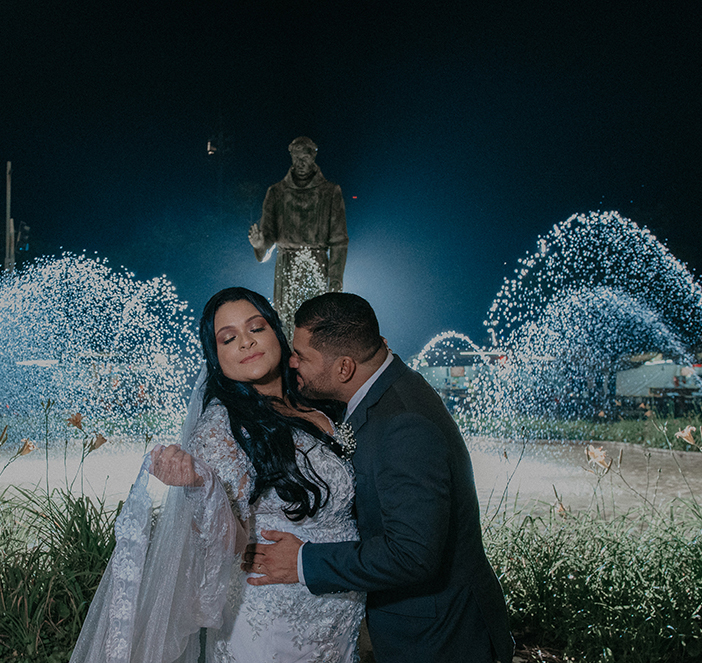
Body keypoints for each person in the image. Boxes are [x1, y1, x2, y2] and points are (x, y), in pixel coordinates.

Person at [70, 287, 363, 663]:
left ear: (276, 332)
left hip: (341, 606)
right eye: (228, 338)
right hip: (275, 619)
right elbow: (233, 542)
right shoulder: (221, 427)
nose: (245, 342)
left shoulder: (318, 403)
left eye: (255, 328)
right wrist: (200, 488)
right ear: (217, 357)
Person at [244, 292, 514, 663]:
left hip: (438, 638)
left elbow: (412, 554)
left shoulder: (404, 424)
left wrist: (304, 561)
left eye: (302, 355)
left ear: (344, 368)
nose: (292, 362)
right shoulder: (385, 389)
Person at [248, 136, 348, 330]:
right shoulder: (276, 192)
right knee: (287, 323)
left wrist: (335, 283)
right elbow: (268, 235)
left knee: (317, 324)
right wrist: (260, 244)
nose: (300, 163)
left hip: (317, 264)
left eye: (305, 158)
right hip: (286, 266)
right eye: (296, 158)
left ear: (313, 158)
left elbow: (339, 241)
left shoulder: (330, 192)